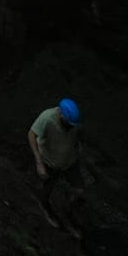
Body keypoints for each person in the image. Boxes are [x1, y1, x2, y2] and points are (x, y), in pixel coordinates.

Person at [28, 97, 83, 236]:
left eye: (73, 124)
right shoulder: (47, 118)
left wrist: (78, 150)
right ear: (61, 114)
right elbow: (31, 135)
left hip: (70, 161)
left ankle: (66, 210)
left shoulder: (73, 123)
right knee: (47, 188)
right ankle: (45, 208)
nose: (71, 126)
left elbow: (76, 138)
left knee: (79, 190)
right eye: (69, 123)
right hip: (50, 161)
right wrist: (39, 163)